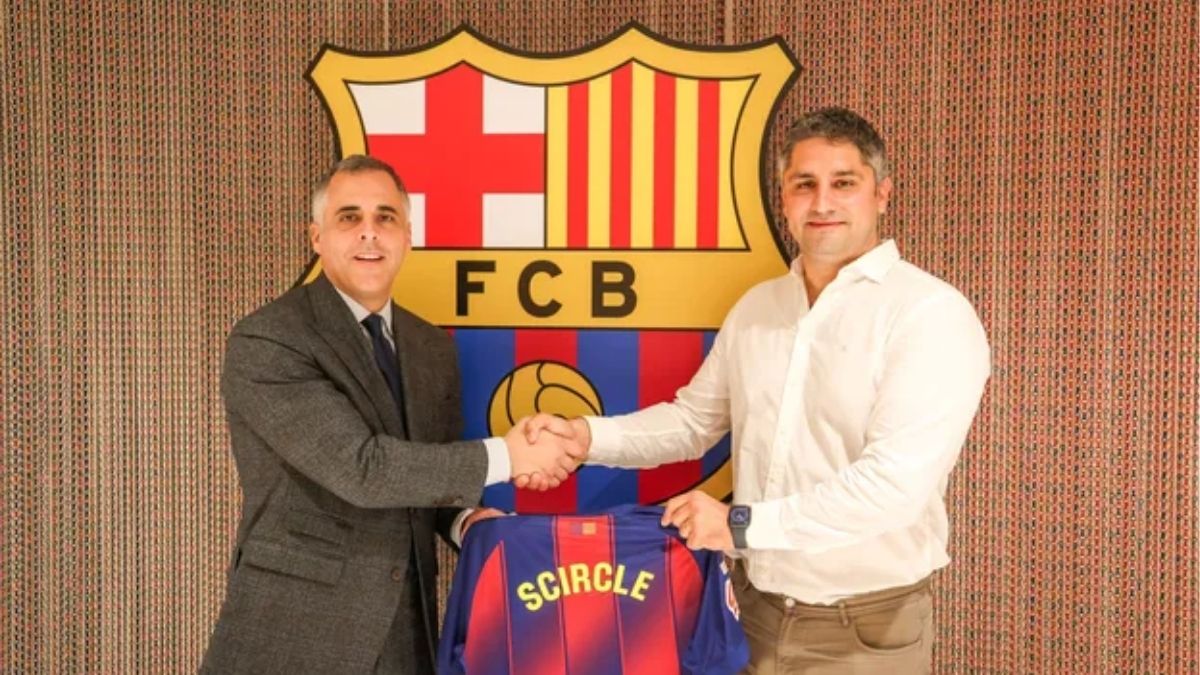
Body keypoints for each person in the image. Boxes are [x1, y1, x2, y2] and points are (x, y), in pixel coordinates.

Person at [526, 107, 991, 673]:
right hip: (748, 613)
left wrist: (739, 525)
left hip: (864, 632)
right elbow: (693, 422)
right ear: (784, 198)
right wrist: (584, 438)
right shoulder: (757, 308)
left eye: (844, 183)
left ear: (882, 194)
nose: (822, 202)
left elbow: (891, 488)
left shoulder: (928, 314)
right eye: (804, 184)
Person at [201, 155, 580, 674]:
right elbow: (362, 469)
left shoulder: (431, 347)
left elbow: (429, 474)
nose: (369, 233)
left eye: (386, 217)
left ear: (407, 237)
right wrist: (511, 456)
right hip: (295, 633)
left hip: (407, 631)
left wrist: (467, 521)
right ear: (316, 237)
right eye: (349, 217)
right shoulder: (270, 339)